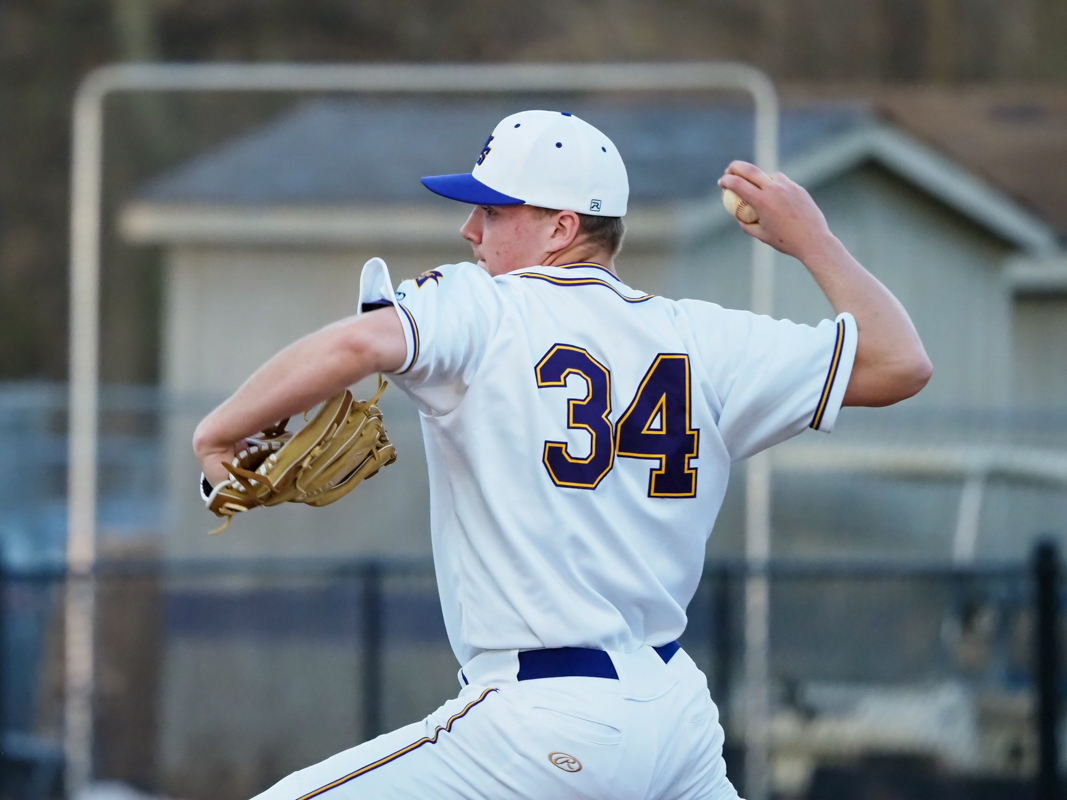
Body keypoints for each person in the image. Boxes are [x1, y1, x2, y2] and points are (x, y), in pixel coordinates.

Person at [193, 110, 931, 800]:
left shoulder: (484, 307)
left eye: (492, 211)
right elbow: (900, 363)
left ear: (560, 227)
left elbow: (357, 345)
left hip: (542, 722)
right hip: (676, 721)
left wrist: (219, 433)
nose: (470, 230)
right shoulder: (703, 340)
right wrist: (813, 241)